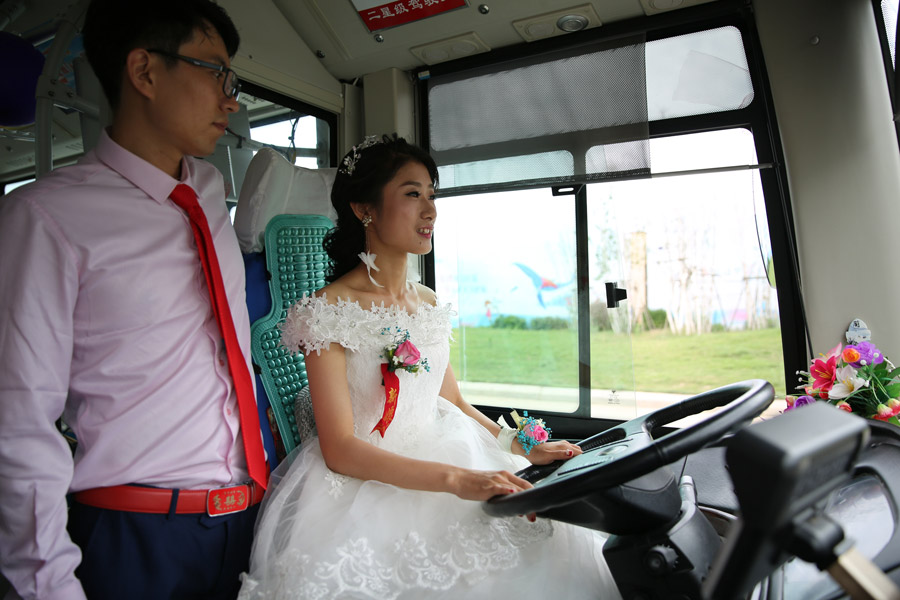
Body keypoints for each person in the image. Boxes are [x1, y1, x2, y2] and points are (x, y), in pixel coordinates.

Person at [238, 136, 622, 599]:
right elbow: (339, 448)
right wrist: (457, 480)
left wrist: (522, 446)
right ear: (365, 209)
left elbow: (452, 401)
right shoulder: (326, 311)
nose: (431, 211)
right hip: (365, 486)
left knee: (549, 537)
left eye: (432, 195)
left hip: (448, 447)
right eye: (412, 193)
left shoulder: (430, 304)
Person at [0, 1, 269, 598]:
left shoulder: (207, 191)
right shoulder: (44, 217)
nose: (232, 99)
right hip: (138, 536)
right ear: (145, 72)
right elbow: (17, 424)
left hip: (250, 522)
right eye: (216, 73)